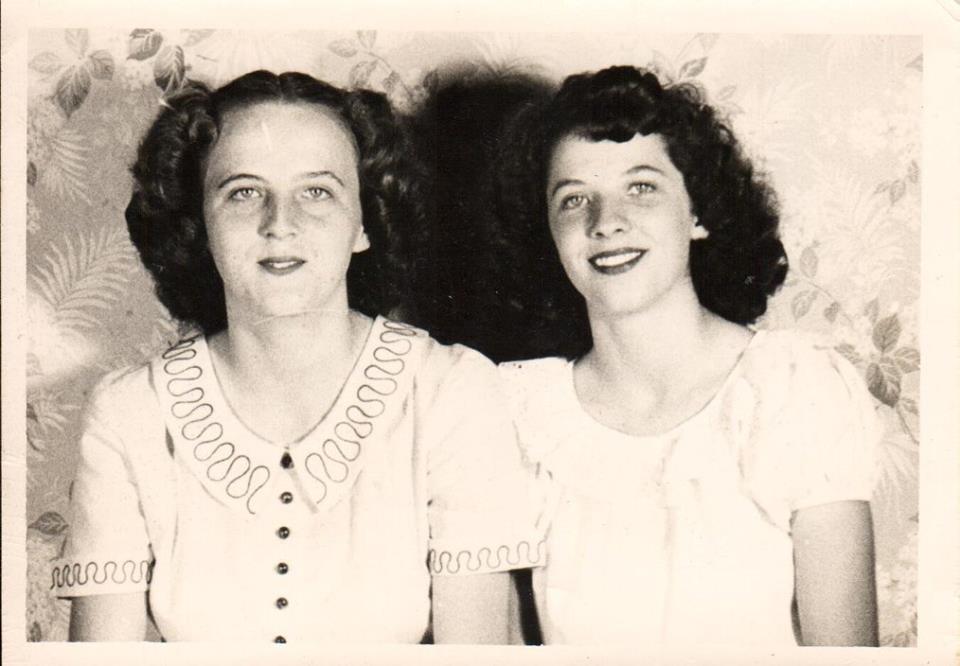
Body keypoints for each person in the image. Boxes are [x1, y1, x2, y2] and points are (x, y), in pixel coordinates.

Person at [51, 70, 543, 643]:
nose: (279, 224)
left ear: (364, 223)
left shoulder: (450, 392)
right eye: (243, 192)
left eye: (317, 192)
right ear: (200, 225)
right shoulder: (130, 413)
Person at [494, 65, 880, 646]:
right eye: (574, 199)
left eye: (641, 188)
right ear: (548, 233)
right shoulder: (517, 414)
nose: (606, 223)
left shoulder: (791, 389)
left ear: (697, 211)